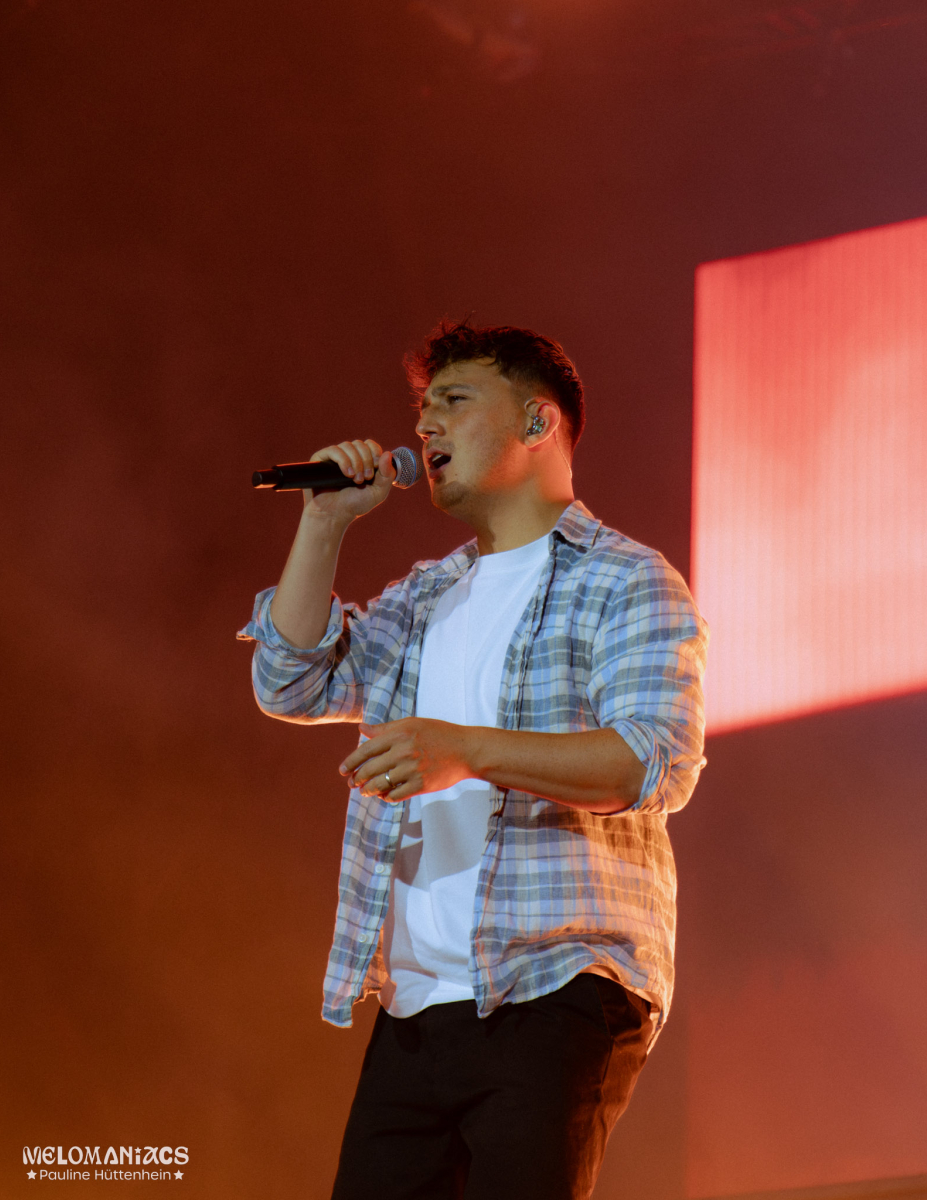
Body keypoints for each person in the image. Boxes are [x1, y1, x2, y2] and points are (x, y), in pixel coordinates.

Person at [238, 320, 707, 1200]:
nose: (425, 426)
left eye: (453, 401)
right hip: (416, 1006)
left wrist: (464, 751)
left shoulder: (626, 580)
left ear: (537, 422)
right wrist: (324, 523)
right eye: (423, 408)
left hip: (557, 981)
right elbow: (290, 682)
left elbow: (649, 765)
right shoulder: (426, 595)